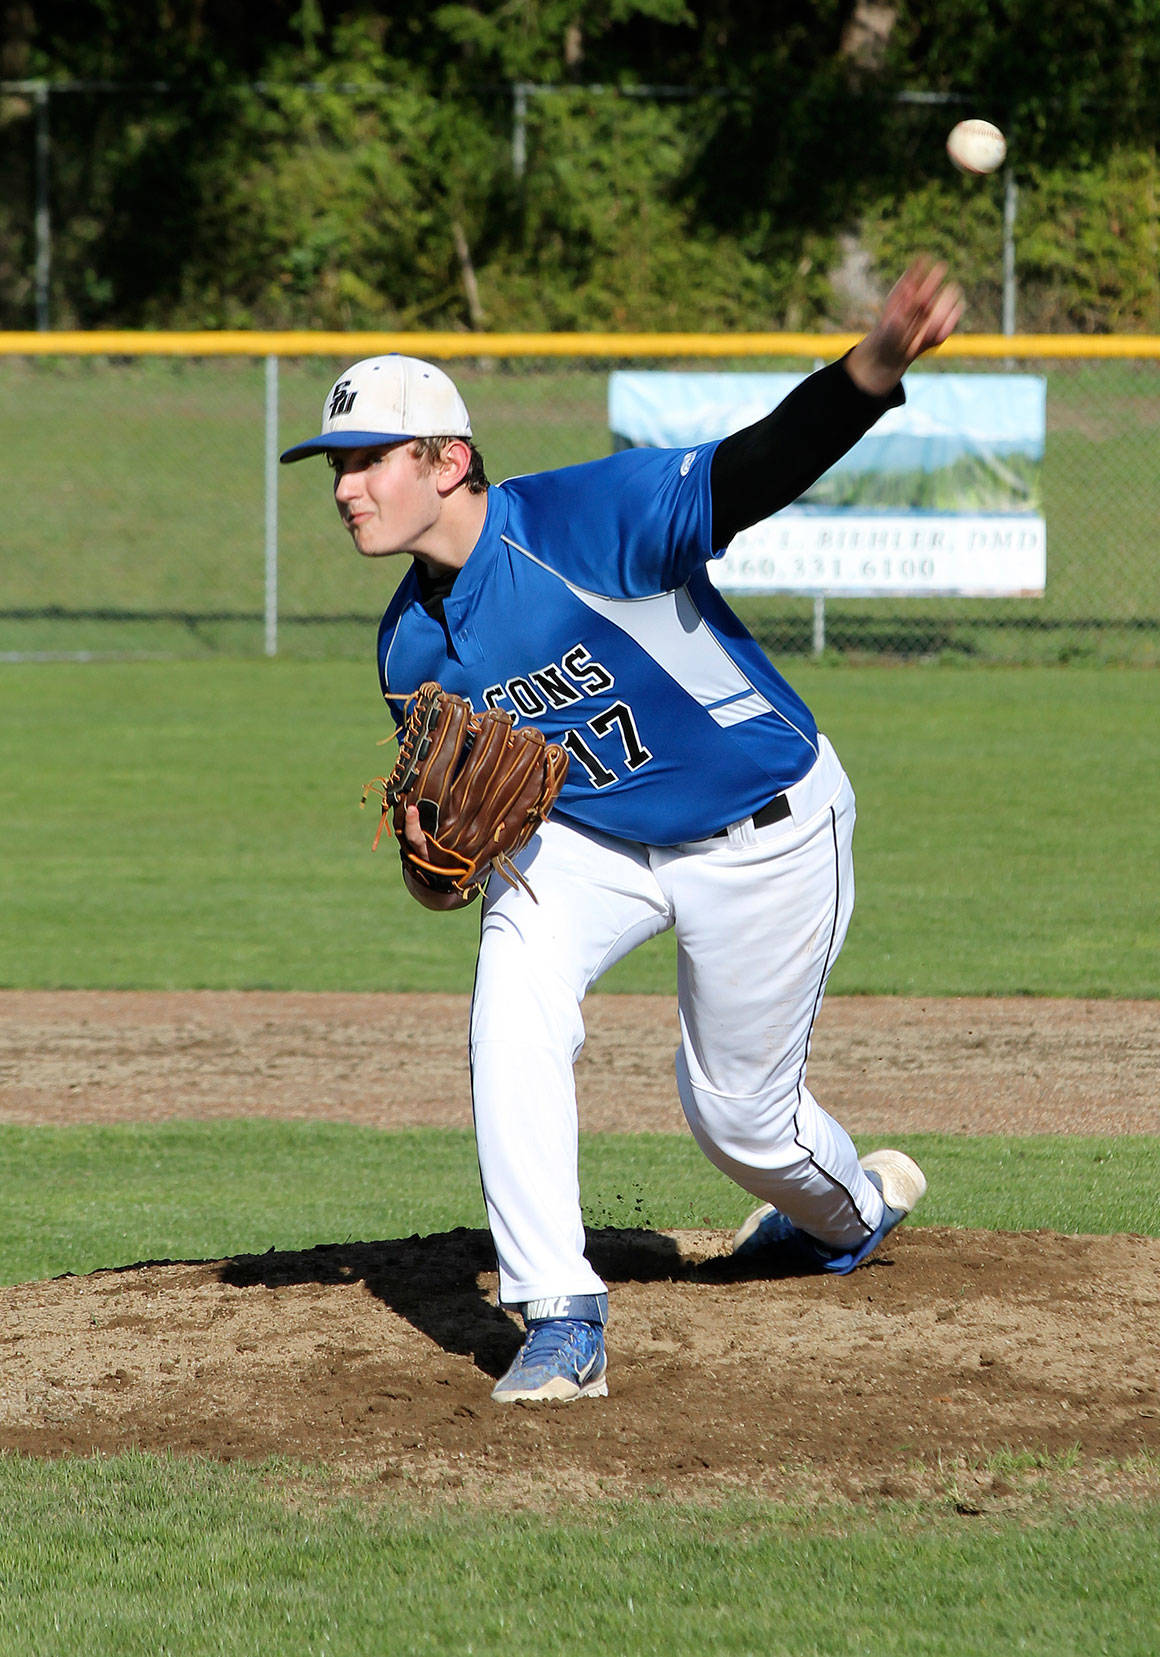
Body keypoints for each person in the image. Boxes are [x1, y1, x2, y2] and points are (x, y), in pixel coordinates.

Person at [281, 258, 963, 1404]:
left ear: (446, 461)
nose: (345, 488)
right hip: (591, 843)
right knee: (511, 998)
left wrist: (873, 367)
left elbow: (756, 468)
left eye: (365, 461)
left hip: (763, 826)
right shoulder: (408, 653)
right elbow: (448, 859)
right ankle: (560, 1310)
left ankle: (849, 1212)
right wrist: (432, 861)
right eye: (334, 468)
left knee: (740, 1122)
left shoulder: (585, 521)